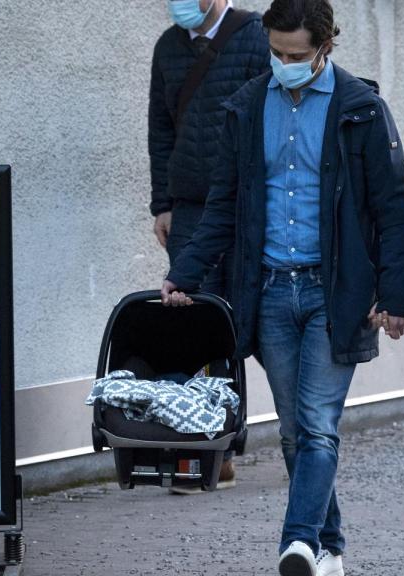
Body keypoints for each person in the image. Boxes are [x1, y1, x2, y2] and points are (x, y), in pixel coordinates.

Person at [161, 0, 404, 573]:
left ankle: (296, 542)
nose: (284, 63)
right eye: (276, 53)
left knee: (319, 423)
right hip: (271, 292)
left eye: (296, 55)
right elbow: (224, 206)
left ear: (325, 47)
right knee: (295, 432)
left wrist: (397, 295)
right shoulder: (249, 106)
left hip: (337, 294)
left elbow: (394, 209)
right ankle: (329, 549)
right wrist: (186, 273)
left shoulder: (362, 110)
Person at [149, 0, 271, 493]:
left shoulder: (256, 36)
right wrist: (163, 202)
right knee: (194, 322)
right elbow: (161, 129)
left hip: (245, 205)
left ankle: (303, 432)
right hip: (190, 207)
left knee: (250, 320)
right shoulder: (168, 47)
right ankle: (206, 449)